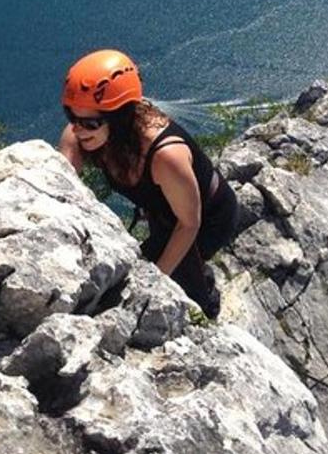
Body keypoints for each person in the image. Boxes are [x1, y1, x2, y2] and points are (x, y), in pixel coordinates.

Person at [58, 49, 237, 319]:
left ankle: (206, 309)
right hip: (161, 209)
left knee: (182, 285)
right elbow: (60, 182)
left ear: (119, 118)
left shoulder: (166, 156)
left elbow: (189, 223)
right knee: (150, 262)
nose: (78, 129)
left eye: (90, 122)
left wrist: (157, 282)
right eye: (72, 117)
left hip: (207, 217)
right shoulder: (85, 136)